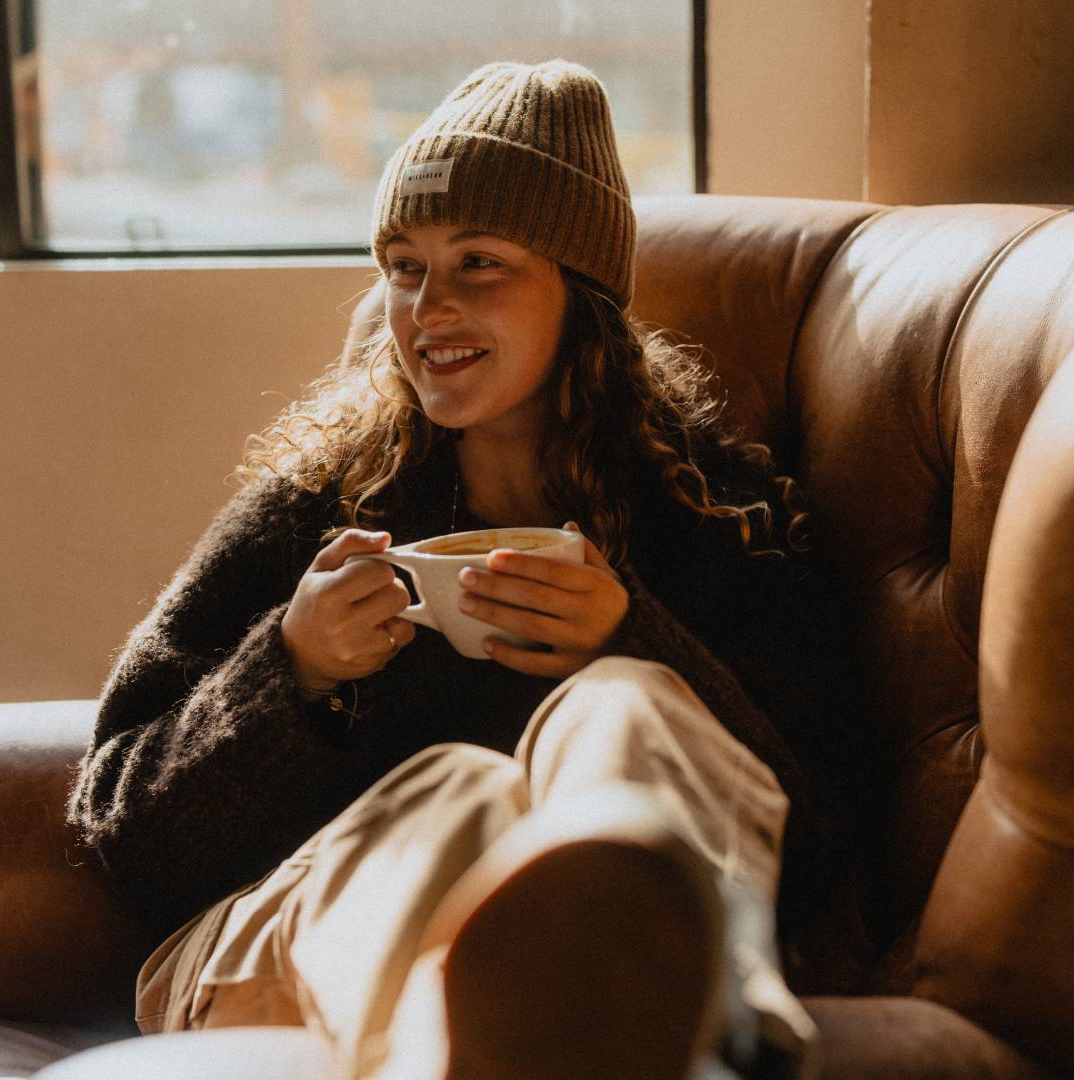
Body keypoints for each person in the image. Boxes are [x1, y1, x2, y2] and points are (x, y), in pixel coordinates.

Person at [68, 60, 864, 1080]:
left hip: (582, 988)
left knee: (630, 702)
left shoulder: (713, 514)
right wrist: (293, 673)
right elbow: (123, 827)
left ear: (579, 291)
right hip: (270, 942)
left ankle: (683, 1014)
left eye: (479, 262)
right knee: (461, 794)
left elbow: (828, 826)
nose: (427, 307)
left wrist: (638, 636)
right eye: (403, 265)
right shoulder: (316, 505)